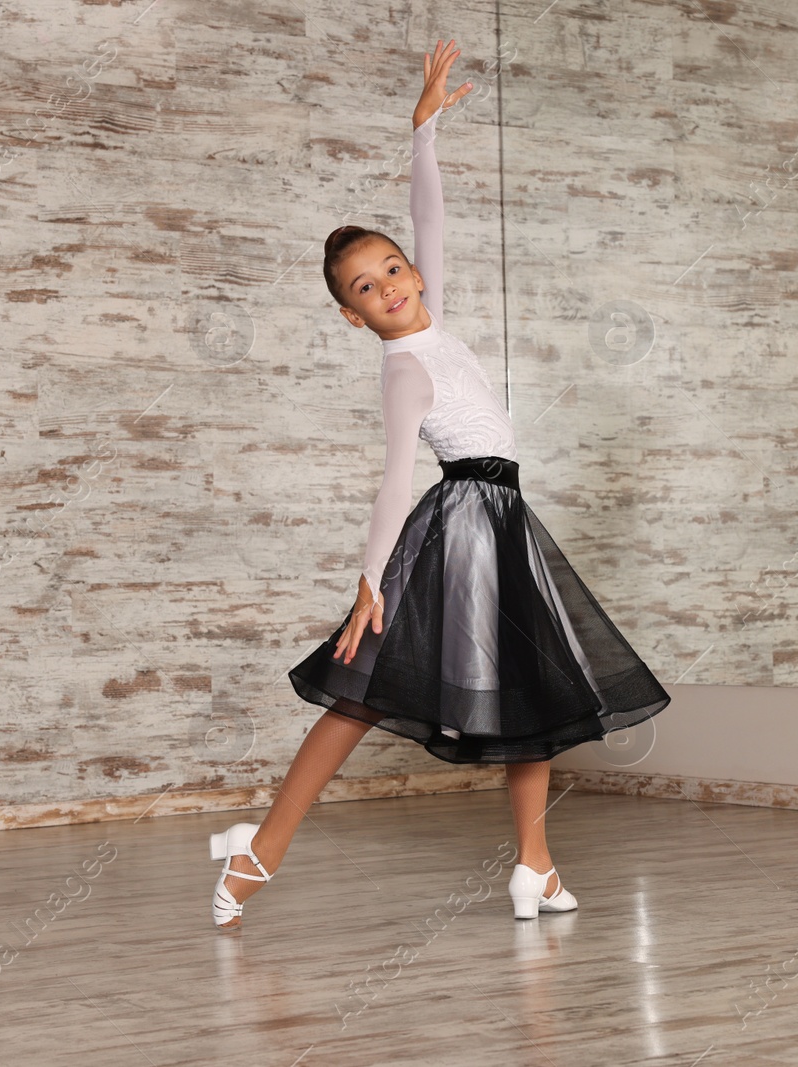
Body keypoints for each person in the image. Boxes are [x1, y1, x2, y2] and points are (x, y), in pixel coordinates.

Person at [208, 39, 670, 929]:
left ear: (412, 277)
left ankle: (534, 863)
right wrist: (370, 581)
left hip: (503, 518)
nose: (386, 284)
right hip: (460, 519)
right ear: (351, 315)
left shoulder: (433, 316)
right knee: (362, 690)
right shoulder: (404, 370)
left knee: (527, 693)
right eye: (364, 287)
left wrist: (422, 135)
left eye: (391, 269)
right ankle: (259, 851)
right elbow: (391, 481)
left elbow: (434, 223)